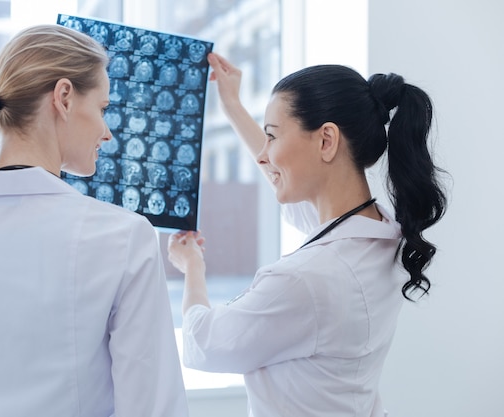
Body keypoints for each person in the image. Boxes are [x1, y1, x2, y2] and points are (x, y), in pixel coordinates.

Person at [0, 24, 189, 417]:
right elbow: (154, 407)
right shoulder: (123, 236)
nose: (106, 133)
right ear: (65, 97)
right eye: (103, 108)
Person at [168, 52, 447, 417]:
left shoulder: (305, 280)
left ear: (326, 141)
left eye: (273, 136)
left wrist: (192, 268)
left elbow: (201, 344)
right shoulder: (385, 230)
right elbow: (292, 188)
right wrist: (233, 106)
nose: (263, 157)